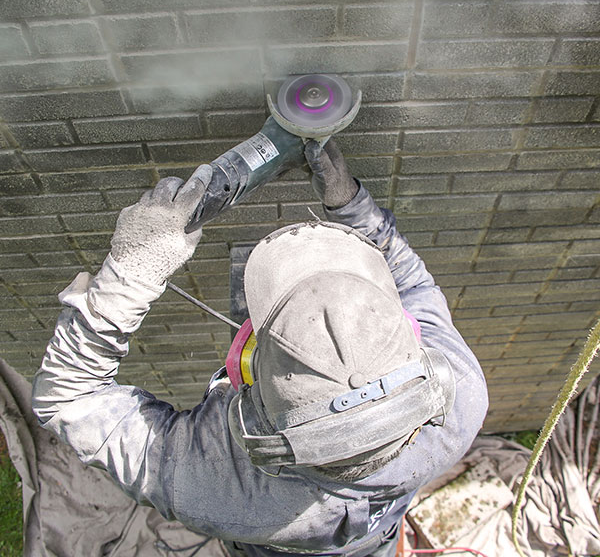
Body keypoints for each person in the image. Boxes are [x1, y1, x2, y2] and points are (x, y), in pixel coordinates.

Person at [31, 140, 488, 557]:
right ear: (412, 340)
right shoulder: (460, 402)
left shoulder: (214, 486)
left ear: (245, 370)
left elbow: (67, 397)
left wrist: (132, 271)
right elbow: (413, 282)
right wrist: (352, 206)